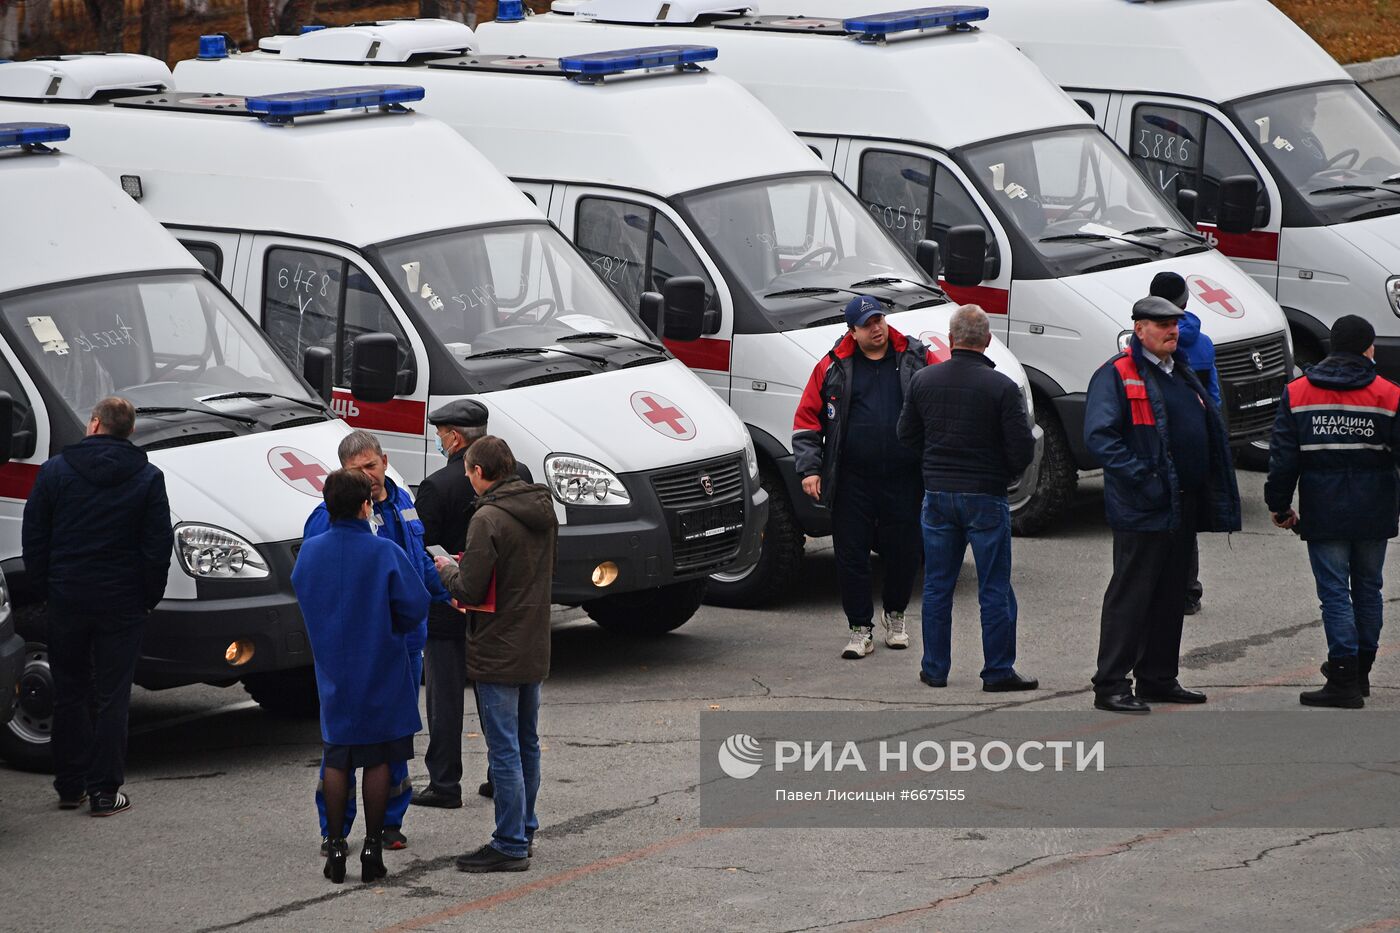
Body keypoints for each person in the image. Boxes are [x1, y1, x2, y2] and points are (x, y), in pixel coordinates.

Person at [1084, 296, 1241, 713]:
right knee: (1132, 595)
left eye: (1175, 323)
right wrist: (1145, 479)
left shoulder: (1180, 370)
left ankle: (1157, 677)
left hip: (1181, 503)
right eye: (1162, 324)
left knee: (1171, 595)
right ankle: (1111, 684)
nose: (1172, 330)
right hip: (1144, 505)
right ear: (1139, 330)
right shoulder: (1117, 374)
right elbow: (1101, 438)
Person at [22, 397, 172, 817]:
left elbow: (35, 537)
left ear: (93, 425)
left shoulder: (55, 472)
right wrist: (148, 596)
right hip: (121, 600)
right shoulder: (146, 477)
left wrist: (46, 588)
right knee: (112, 695)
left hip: (67, 595)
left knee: (69, 691)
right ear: (129, 431)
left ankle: (70, 786)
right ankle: (105, 791)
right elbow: (157, 547)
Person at [305, 430, 451, 853]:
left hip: (403, 642)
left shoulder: (403, 503)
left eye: (371, 466)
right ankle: (335, 827)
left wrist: (448, 594)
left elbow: (419, 559)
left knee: (393, 739)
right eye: (356, 471)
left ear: (385, 461)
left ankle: (389, 822)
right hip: (355, 645)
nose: (367, 476)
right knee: (344, 741)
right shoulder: (326, 517)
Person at [291, 469, 429, 884]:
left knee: (338, 755)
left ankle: (335, 844)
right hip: (381, 664)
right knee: (379, 757)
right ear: (365, 505)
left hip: (334, 666)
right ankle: (372, 845)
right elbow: (414, 605)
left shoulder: (309, 553)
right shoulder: (382, 552)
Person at [897, 305, 1038, 691]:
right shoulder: (1002, 387)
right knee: (994, 587)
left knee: (938, 586)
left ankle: (935, 668)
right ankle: (997, 671)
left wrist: (932, 464)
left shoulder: (924, 381)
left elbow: (906, 435)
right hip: (986, 496)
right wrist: (1002, 474)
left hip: (938, 495)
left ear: (952, 338)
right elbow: (1021, 450)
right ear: (987, 340)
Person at [435, 436, 557, 873]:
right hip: (533, 641)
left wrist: (448, 569)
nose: (467, 478)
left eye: (468, 470)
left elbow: (469, 588)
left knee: (503, 748)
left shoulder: (486, 517)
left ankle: (508, 843)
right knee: (528, 743)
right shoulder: (541, 510)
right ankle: (524, 827)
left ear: (481, 472)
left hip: (497, 647)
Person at [1265, 315, 1400, 708]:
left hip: (1325, 509)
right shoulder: (1389, 394)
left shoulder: (1299, 392)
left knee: (1335, 593)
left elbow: (1283, 457)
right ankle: (1361, 674)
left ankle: (1342, 676)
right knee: (1369, 588)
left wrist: (1279, 504)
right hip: (1375, 507)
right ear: (1368, 349)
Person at [793, 294, 938, 660]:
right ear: (852, 332)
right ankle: (860, 629)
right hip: (852, 479)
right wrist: (810, 469)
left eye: (880, 320)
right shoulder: (831, 366)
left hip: (904, 476)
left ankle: (896, 616)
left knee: (904, 550)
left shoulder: (917, 358)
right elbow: (807, 419)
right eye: (868, 324)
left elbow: (943, 401)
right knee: (851, 555)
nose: (877, 328)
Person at [412, 399, 531, 809]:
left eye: (441, 434)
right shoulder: (522, 476)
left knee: (445, 699)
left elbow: (422, 549)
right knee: (496, 697)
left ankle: (445, 784)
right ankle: (501, 776)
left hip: (450, 605)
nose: (440, 441)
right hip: (500, 610)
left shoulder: (436, 486)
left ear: (456, 437)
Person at [1150, 271, 1220, 617]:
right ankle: (1188, 591)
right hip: (1195, 440)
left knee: (1156, 518)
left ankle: (1158, 586)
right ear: (1185, 302)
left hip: (1159, 441)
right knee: (1187, 519)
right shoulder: (1203, 343)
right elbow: (1214, 397)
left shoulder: (1147, 340)